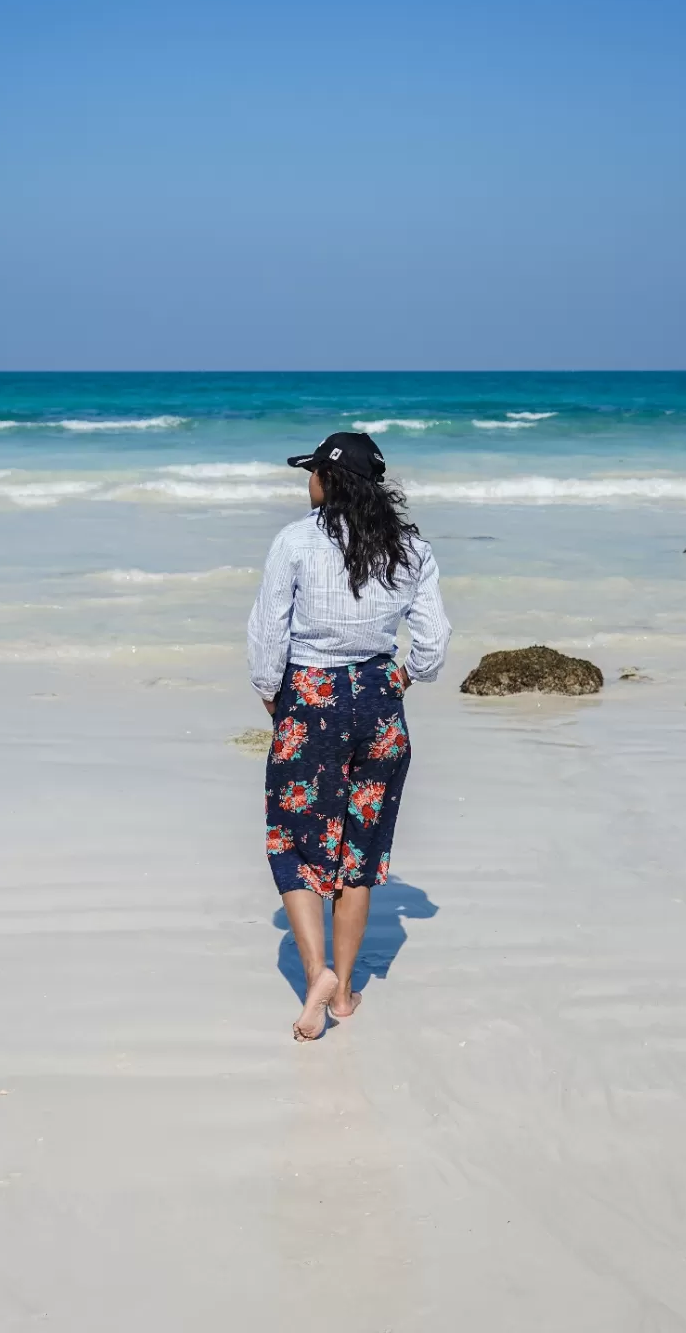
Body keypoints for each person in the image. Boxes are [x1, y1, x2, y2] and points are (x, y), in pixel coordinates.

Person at [247, 431, 451, 1041]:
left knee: (294, 841)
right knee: (359, 853)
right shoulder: (409, 547)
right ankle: (345, 992)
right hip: (380, 699)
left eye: (312, 473)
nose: (307, 482)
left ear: (328, 481)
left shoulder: (296, 541)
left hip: (311, 696)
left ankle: (318, 975)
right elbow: (434, 644)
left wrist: (274, 699)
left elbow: (267, 637)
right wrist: (399, 682)